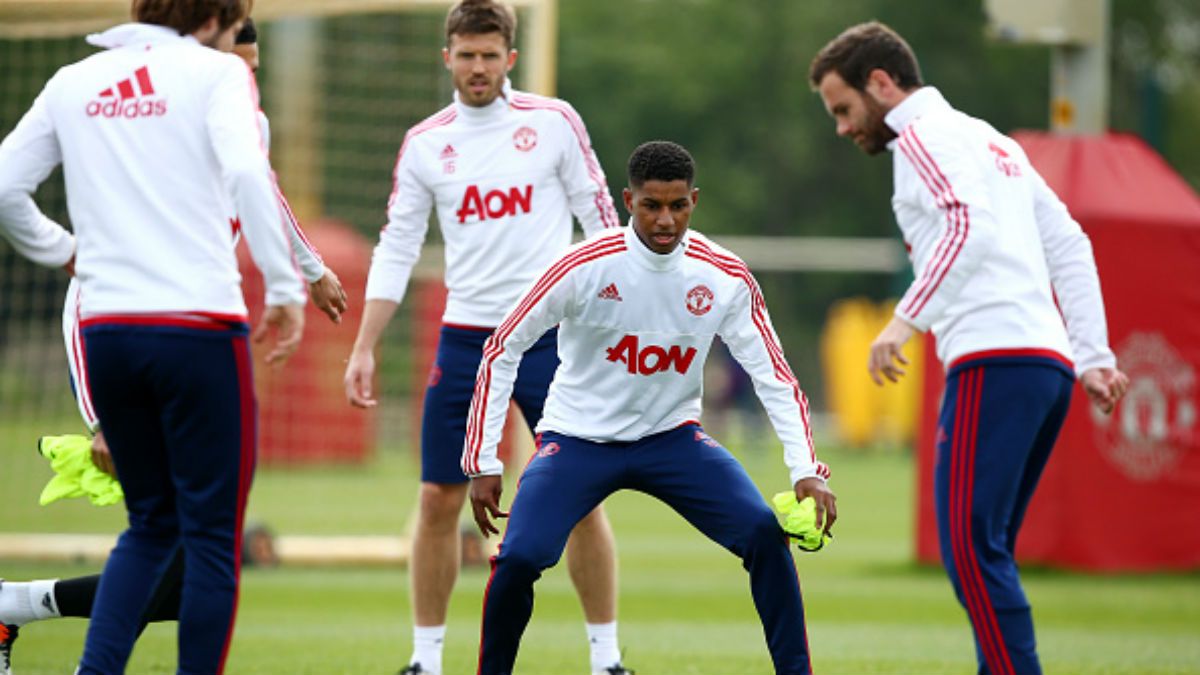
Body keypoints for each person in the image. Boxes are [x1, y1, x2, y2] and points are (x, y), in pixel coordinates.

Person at [0, 16, 345, 674]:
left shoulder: (89, 85)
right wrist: (285, 286)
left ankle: (23, 610)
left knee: (164, 543)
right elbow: (248, 176)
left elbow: (261, 187)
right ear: (211, 28)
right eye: (240, 52)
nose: (248, 73)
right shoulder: (208, 85)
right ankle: (22, 608)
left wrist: (309, 268)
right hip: (187, 329)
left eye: (255, 62)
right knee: (205, 550)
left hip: (116, 330)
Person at [809, 21, 1129, 675]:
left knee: (970, 552)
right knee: (989, 553)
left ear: (881, 83)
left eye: (843, 109)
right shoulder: (991, 139)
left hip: (994, 358)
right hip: (1045, 365)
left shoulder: (921, 135)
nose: (842, 127)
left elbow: (967, 223)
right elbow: (1069, 241)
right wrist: (1092, 354)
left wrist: (903, 320)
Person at [463, 140, 836, 675]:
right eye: (651, 206)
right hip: (575, 441)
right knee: (519, 559)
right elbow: (503, 346)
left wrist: (807, 470)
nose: (666, 220)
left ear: (694, 201)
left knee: (762, 533)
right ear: (628, 201)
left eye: (678, 205)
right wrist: (482, 461)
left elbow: (774, 376)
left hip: (672, 441)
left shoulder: (723, 276)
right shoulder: (584, 265)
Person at [342, 2, 627, 673]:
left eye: (489, 55)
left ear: (510, 59)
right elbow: (397, 245)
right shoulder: (425, 143)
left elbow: (602, 220)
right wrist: (364, 343)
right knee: (437, 497)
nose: (477, 67)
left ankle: (607, 658)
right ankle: (426, 659)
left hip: (552, 337)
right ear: (447, 57)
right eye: (466, 55)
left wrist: (617, 309)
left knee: (580, 494)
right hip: (467, 340)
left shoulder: (554, 123)